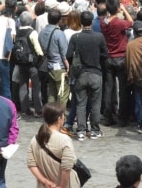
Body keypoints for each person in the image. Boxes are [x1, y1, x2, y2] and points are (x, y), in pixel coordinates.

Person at [66, 10, 107, 141]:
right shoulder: (99, 37)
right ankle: (95, 130)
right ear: (91, 22)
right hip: (96, 73)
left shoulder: (75, 37)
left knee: (80, 103)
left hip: (81, 74)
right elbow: (105, 54)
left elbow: (68, 55)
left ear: (81, 22)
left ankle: (81, 130)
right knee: (95, 104)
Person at [27, 102, 80, 188]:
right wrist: (62, 186)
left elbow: (31, 164)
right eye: (63, 116)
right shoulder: (64, 140)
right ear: (59, 119)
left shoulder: (34, 140)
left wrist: (45, 181)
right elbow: (66, 167)